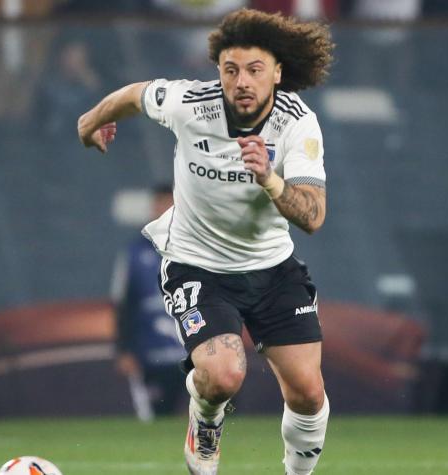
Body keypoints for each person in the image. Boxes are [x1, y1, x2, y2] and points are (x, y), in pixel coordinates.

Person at [77, 8, 333, 475]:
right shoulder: (191, 103)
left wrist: (270, 180)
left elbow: (314, 216)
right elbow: (136, 94)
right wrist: (91, 120)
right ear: (218, 70)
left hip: (273, 269)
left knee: (308, 392)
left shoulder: (298, 124)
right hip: (197, 265)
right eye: (230, 69)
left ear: (277, 72)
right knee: (223, 374)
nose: (241, 82)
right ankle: (206, 421)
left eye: (255, 70)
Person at [111, 184, 187, 421]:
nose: (164, 209)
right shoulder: (134, 253)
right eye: (160, 203)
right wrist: (123, 349)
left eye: (170, 203)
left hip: (194, 351)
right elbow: (123, 304)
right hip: (152, 354)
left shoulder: (198, 250)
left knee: (209, 417)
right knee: (157, 421)